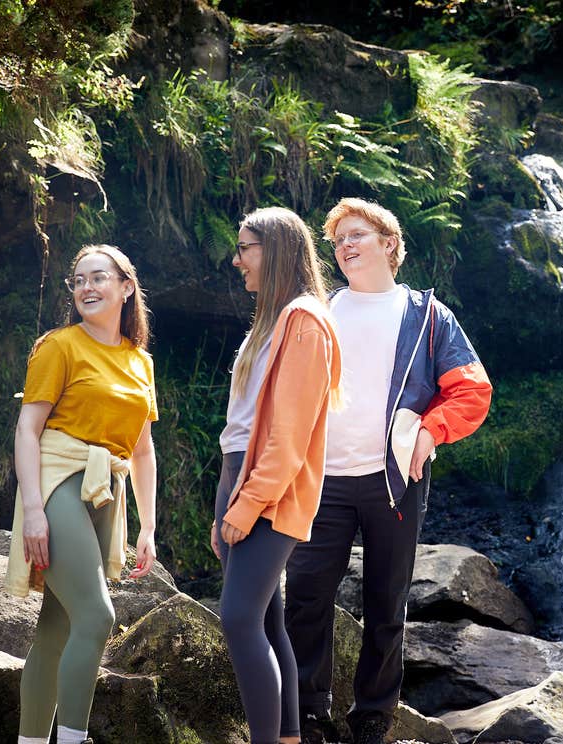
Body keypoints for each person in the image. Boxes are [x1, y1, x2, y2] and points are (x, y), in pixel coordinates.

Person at [285, 197, 492, 744]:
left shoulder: (427, 315)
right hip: (321, 479)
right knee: (305, 594)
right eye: (338, 241)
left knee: (386, 601)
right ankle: (308, 715)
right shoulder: (319, 311)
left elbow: (472, 389)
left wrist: (430, 431)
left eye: (357, 235)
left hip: (394, 481)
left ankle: (373, 718)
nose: (345, 247)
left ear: (389, 244)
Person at [6, 244, 159, 744]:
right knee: (96, 617)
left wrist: (148, 527)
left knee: (58, 625)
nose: (86, 288)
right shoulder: (59, 346)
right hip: (57, 480)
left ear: (126, 287)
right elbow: (28, 429)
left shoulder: (140, 361)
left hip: (104, 491)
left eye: (98, 278)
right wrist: (33, 510)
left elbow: (141, 451)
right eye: (78, 281)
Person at [210, 206, 343, 744]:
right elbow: (240, 427)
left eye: (246, 248)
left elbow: (288, 436)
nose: (236, 260)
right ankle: (288, 737)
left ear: (278, 249)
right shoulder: (270, 321)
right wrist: (226, 499)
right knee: (265, 621)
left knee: (239, 620)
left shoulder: (305, 321)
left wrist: (246, 504)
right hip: (239, 476)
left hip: (269, 488)